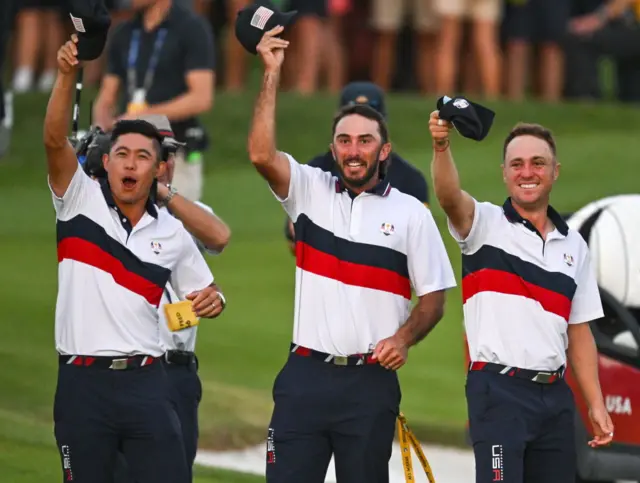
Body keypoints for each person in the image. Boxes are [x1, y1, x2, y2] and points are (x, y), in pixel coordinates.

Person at [245, 23, 457, 483]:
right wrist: (271, 73)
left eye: (365, 141)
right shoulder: (310, 189)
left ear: (385, 151)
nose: (354, 150)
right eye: (345, 141)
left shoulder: (411, 214)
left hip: (369, 382)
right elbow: (262, 155)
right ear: (333, 149)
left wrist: (402, 340)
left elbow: (435, 300)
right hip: (304, 376)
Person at [46, 35, 224, 483]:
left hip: (150, 380)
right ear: (105, 161)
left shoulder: (174, 228)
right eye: (121, 154)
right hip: (83, 380)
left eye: (145, 156)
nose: (132, 164)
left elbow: (209, 282)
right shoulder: (78, 203)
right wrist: (67, 75)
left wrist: (212, 301)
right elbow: (53, 141)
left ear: (160, 165)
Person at [428, 113, 614, 483]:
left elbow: (579, 332)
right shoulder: (484, 224)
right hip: (498, 391)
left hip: (554, 396)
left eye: (537, 163)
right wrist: (441, 145)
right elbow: (449, 196)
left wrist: (595, 403)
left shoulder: (573, 245)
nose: (527, 172)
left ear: (555, 171)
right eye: (517, 164)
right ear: (504, 173)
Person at [110, 114, 231, 483]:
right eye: (154, 154)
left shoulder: (188, 213)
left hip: (174, 370)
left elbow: (218, 237)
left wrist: (163, 194)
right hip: (120, 368)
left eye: (169, 155)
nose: (165, 164)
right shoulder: (103, 212)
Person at [283, 81, 430, 254]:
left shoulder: (410, 180)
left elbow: (421, 244)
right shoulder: (316, 171)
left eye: (366, 135)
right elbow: (294, 234)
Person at [93, 0, 216, 202]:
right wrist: (100, 130)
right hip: (128, 156)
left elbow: (201, 98)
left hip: (174, 153)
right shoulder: (124, 32)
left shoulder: (191, 27)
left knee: (175, 229)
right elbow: (106, 97)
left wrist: (143, 117)